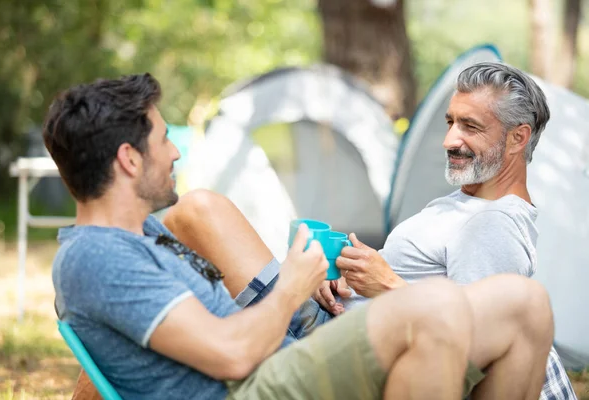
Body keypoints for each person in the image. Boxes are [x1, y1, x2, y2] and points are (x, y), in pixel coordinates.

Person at [45, 73, 555, 400]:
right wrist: (294, 280)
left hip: (278, 352)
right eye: (164, 141)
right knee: (440, 306)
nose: (176, 153)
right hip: (255, 379)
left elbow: (118, 346)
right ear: (129, 160)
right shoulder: (98, 256)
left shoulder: (131, 237)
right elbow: (232, 356)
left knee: (527, 300)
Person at [309, 62, 576, 399]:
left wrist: (386, 286)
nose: (449, 140)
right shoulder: (469, 200)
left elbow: (468, 357)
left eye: (470, 126)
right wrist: (350, 280)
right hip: (337, 332)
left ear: (517, 138)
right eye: (450, 122)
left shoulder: (493, 223)